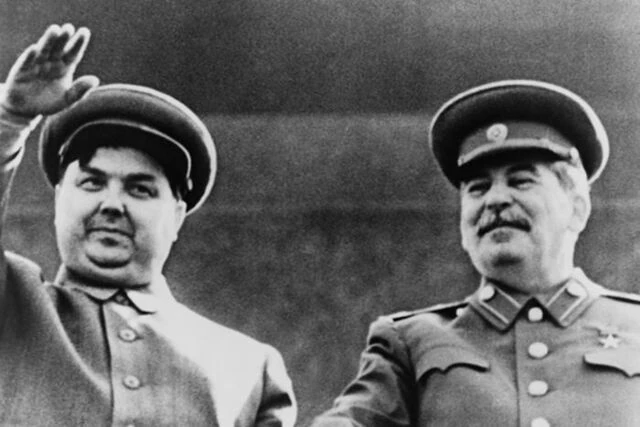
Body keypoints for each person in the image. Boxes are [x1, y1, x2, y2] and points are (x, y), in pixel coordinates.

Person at [0, 24, 296, 426]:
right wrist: (10, 121)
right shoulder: (12, 304)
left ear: (176, 217)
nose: (112, 204)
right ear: (58, 200)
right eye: (92, 182)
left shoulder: (248, 368)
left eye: (139, 189)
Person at [310, 79, 640, 426]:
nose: (495, 200)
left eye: (520, 181)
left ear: (577, 207)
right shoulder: (409, 343)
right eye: (478, 188)